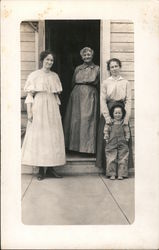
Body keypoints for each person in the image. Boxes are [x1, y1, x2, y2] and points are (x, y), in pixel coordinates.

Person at [21, 50, 66, 180]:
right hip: (39, 106)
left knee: (52, 136)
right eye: (47, 60)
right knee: (41, 137)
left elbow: (56, 96)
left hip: (51, 107)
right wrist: (29, 112)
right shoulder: (34, 75)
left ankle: (51, 168)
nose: (49, 62)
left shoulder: (55, 76)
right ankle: (41, 169)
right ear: (42, 61)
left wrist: (57, 114)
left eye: (51, 60)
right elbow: (30, 95)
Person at [96, 58, 133, 171]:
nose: (114, 69)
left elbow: (128, 100)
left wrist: (125, 119)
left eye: (116, 66)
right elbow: (102, 100)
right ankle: (108, 170)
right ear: (109, 69)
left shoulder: (125, 82)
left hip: (121, 114)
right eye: (112, 67)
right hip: (109, 112)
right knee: (108, 141)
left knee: (123, 143)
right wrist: (107, 117)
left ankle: (122, 171)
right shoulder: (106, 83)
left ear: (120, 67)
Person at [64, 47, 100, 154]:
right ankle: (74, 148)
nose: (86, 56)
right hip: (77, 95)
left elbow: (99, 83)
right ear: (81, 57)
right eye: (84, 55)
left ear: (92, 55)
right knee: (76, 120)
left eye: (88, 54)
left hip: (90, 94)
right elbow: (72, 82)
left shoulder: (97, 68)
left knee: (88, 120)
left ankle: (88, 149)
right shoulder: (78, 68)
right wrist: (75, 93)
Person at [104, 104, 130, 180]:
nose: (117, 115)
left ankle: (121, 174)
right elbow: (106, 130)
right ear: (112, 113)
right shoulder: (110, 123)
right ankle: (112, 174)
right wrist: (106, 136)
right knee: (111, 157)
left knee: (123, 157)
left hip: (122, 142)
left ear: (122, 114)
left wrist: (127, 138)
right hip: (111, 142)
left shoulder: (124, 123)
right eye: (116, 113)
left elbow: (127, 131)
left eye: (119, 113)